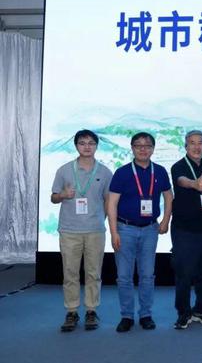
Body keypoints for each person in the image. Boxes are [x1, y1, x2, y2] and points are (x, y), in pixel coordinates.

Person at [107, 132, 173, 332]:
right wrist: (113, 232)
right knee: (124, 276)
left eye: (147, 145)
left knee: (147, 275)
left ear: (153, 148)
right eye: (138, 145)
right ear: (132, 148)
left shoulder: (160, 171)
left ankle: (146, 314)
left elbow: (168, 197)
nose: (143, 149)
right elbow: (112, 204)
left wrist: (166, 220)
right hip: (124, 229)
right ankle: (126, 316)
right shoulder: (122, 172)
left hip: (150, 230)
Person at [51, 129, 113, 332]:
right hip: (69, 230)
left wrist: (101, 219)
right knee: (70, 273)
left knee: (93, 272)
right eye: (82, 143)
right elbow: (53, 197)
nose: (87, 147)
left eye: (91, 143)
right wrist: (62, 194)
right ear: (76, 145)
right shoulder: (64, 170)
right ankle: (71, 311)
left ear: (96, 146)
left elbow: (109, 200)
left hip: (95, 230)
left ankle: (91, 310)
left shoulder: (105, 172)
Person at [169, 130, 202, 330]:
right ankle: (183, 313)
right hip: (184, 230)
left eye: (200, 143)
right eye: (192, 143)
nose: (197, 147)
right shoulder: (178, 166)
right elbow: (182, 180)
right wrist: (194, 184)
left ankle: (201, 310)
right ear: (186, 146)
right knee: (184, 273)